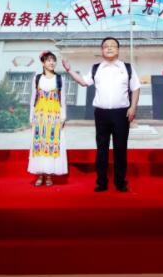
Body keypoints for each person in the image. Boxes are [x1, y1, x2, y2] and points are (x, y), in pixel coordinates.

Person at [63, 37, 141, 192]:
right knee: (102, 149)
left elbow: (136, 88)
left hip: (121, 113)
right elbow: (83, 82)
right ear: (102, 50)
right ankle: (101, 182)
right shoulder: (96, 68)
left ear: (118, 50)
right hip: (101, 114)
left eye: (113, 46)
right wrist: (69, 70)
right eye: (106, 46)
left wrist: (133, 108)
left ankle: (120, 182)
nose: (109, 48)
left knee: (120, 149)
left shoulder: (127, 68)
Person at [28, 51, 68, 186]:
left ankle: (49, 175)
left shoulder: (60, 79)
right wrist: (31, 116)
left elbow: (63, 99)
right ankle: (40, 174)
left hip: (55, 115)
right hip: (40, 115)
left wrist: (63, 117)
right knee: (39, 144)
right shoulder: (37, 78)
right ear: (43, 63)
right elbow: (33, 98)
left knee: (52, 144)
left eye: (53, 60)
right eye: (49, 60)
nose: (52, 62)